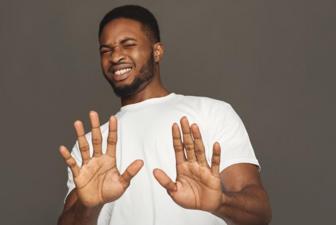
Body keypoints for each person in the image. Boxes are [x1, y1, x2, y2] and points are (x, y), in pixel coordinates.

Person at [57, 5, 271, 225]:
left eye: (128, 45)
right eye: (106, 50)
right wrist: (88, 206)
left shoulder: (212, 113)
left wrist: (221, 202)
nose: (115, 57)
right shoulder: (93, 143)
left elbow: (260, 213)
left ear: (157, 51)